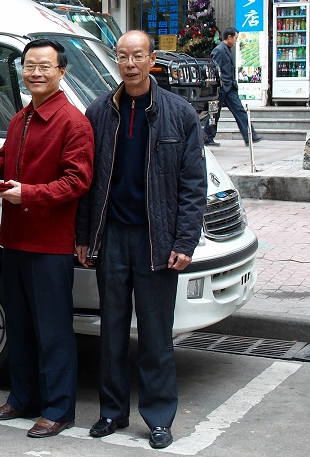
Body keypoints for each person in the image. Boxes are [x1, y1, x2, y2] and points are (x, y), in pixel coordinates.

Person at [76, 30, 207, 450]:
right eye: (122, 56)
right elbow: (87, 181)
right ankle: (112, 412)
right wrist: (84, 236)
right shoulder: (99, 111)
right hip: (112, 236)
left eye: (137, 56)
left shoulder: (179, 113)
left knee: (155, 335)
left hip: (157, 240)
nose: (129, 64)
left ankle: (159, 417)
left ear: (153, 60)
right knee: (112, 331)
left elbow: (193, 184)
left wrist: (185, 241)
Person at [0, 39, 95, 439]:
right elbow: (7, 162)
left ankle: (59, 409)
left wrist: (28, 194)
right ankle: (22, 398)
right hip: (14, 238)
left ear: (62, 71)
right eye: (29, 65)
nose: (36, 73)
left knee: (53, 330)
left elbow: (77, 181)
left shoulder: (73, 122)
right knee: (20, 326)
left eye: (45, 66)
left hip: (49, 243)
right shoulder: (21, 118)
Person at [204, 27, 262, 147]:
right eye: (235, 38)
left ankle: (250, 136)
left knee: (239, 111)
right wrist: (219, 85)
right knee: (214, 113)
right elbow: (215, 70)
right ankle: (207, 137)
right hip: (221, 88)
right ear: (229, 37)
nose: (236, 41)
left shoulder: (226, 49)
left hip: (230, 88)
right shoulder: (219, 50)